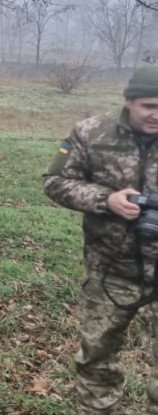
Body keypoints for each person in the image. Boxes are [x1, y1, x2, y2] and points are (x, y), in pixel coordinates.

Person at [44, 65, 158, 414]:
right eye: (149, 106)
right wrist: (105, 200)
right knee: (97, 360)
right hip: (110, 270)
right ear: (129, 102)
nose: (157, 115)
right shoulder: (92, 133)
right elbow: (55, 182)